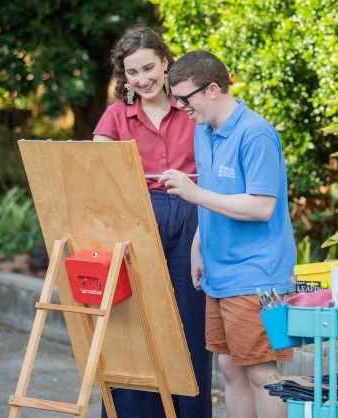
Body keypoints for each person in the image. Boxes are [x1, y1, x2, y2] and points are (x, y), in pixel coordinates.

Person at [160, 51, 297, 418]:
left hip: (258, 275)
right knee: (229, 368)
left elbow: (261, 206)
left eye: (184, 99)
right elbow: (213, 190)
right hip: (221, 273)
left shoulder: (256, 134)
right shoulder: (203, 132)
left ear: (213, 89)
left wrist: (193, 194)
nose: (180, 107)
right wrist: (197, 246)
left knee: (261, 372)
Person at [92, 27, 212, 418]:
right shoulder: (115, 116)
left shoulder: (192, 108)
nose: (141, 79)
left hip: (192, 217)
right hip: (137, 222)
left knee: (190, 326)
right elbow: (99, 173)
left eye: (148, 67)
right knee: (136, 325)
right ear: (122, 75)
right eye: (132, 72)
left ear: (164, 62)